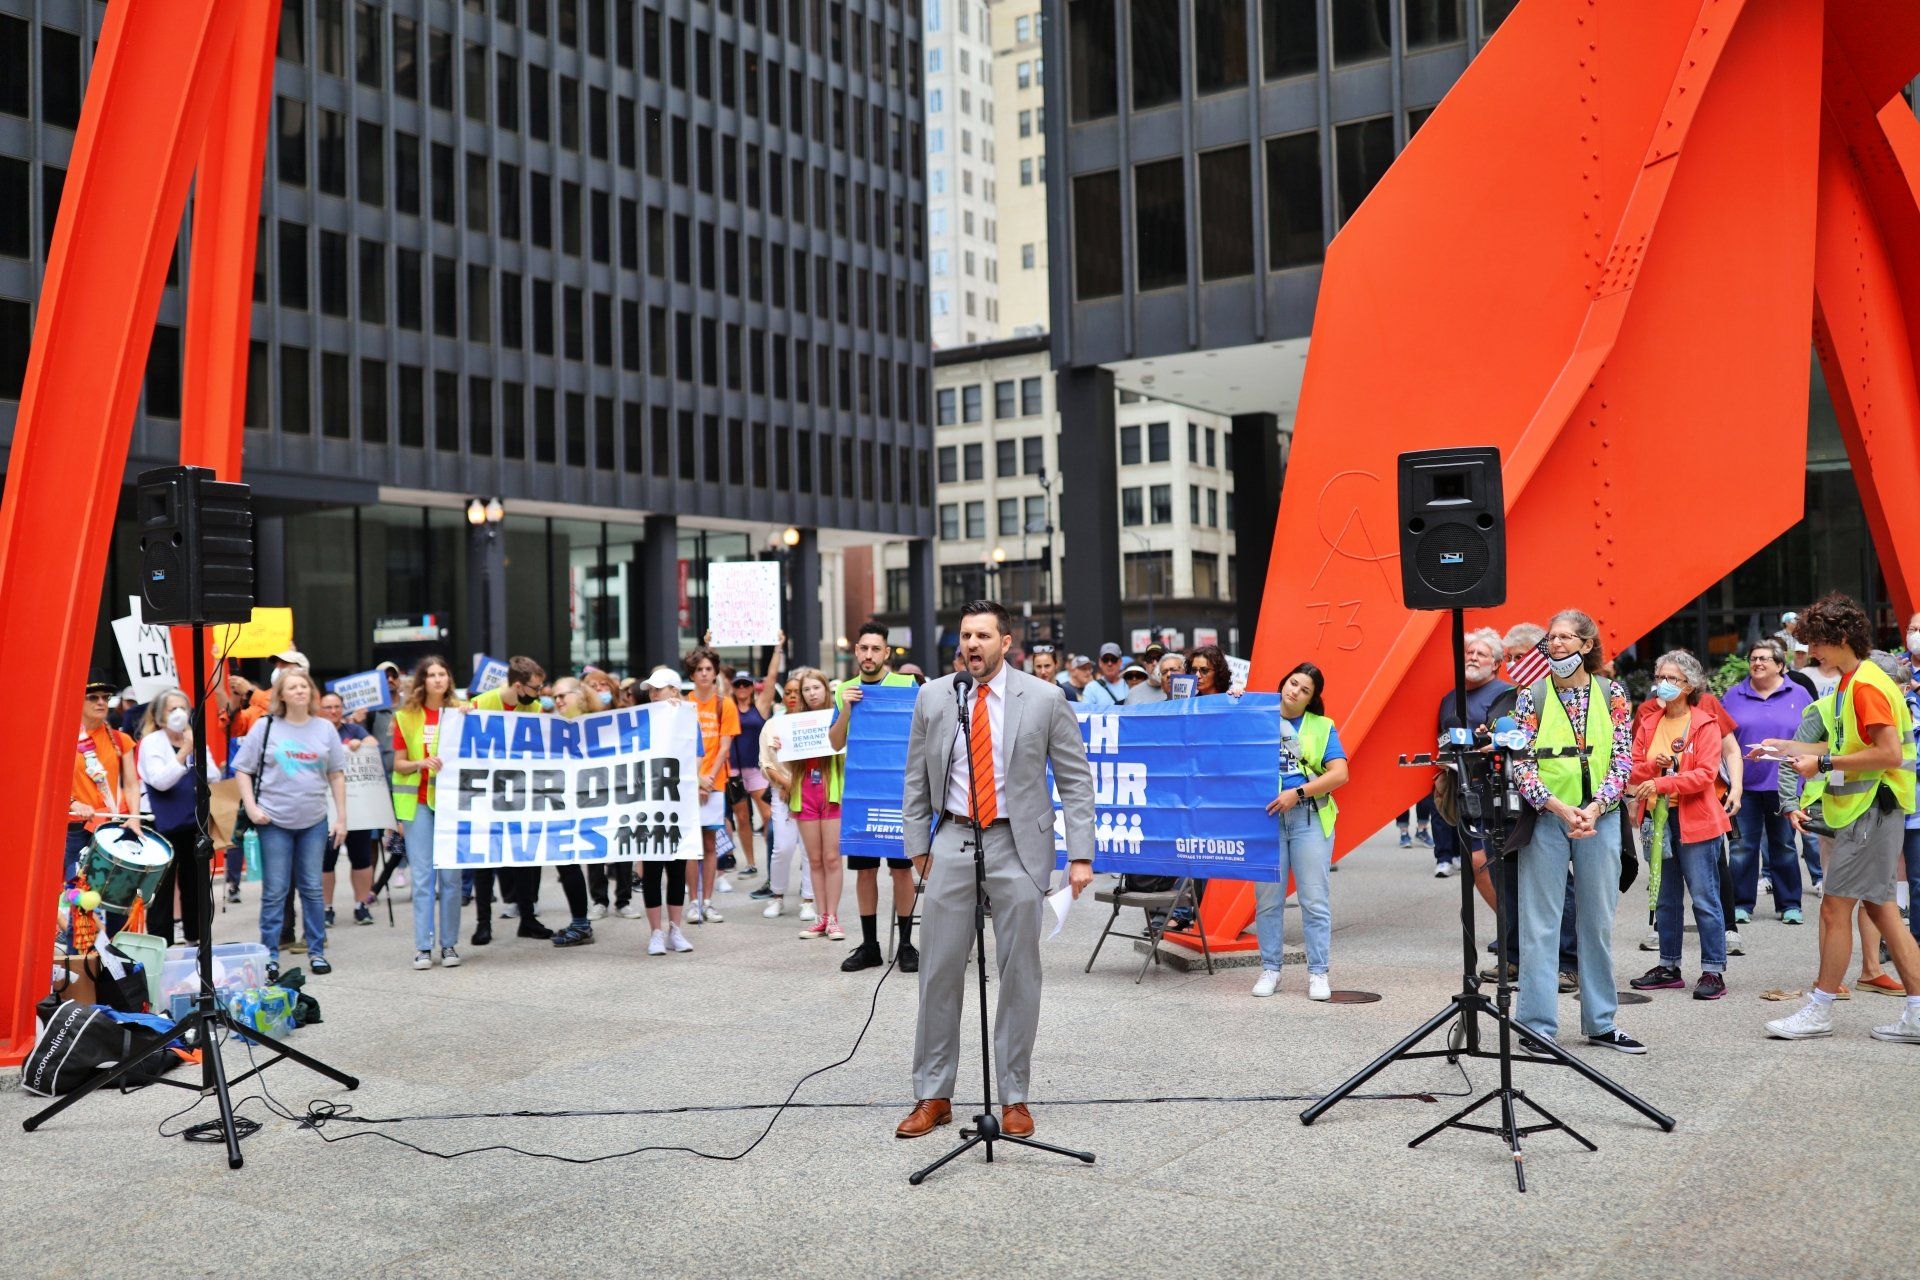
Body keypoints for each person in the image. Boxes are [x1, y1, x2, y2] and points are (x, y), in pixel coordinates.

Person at [895, 599, 1096, 1141]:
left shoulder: (1047, 698)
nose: (972, 645)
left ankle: (1014, 1097)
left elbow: (1075, 781)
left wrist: (1080, 854)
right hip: (954, 838)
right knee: (938, 970)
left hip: (1018, 844)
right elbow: (915, 778)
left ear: (1006, 643)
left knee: (1019, 974)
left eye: (983, 635)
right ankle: (934, 1094)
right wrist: (919, 845)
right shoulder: (935, 696)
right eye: (966, 635)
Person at [1760, 596, 1920, 1044]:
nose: (1812, 654)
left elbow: (1886, 754)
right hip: (1873, 810)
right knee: (1883, 911)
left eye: (1816, 644)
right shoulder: (1856, 681)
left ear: (1842, 639)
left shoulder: (1864, 685)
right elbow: (1849, 748)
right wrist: (1783, 747)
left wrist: (1824, 763)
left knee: (1835, 909)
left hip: (1869, 810)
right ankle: (1916, 1011)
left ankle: (1820, 1008)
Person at [1509, 609, 1644, 1053]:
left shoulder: (1613, 693)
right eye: (1552, 637)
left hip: (1599, 820)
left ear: (1587, 645)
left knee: (1597, 923)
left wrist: (1594, 807)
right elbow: (1522, 764)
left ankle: (1602, 1023)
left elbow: (1623, 759)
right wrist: (1558, 807)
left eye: (1568, 637)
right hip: (1548, 819)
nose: (1558, 644)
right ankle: (1536, 1025)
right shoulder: (1532, 696)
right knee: (1539, 925)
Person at [1627, 650, 1733, 999]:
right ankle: (1668, 965)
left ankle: (1713, 970)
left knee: (1704, 897)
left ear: (1689, 685)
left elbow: (1704, 776)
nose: (1663, 684)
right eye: (1660, 677)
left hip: (1696, 820)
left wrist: (1661, 782)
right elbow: (1632, 769)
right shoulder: (1648, 721)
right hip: (1657, 819)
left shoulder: (1704, 723)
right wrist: (1652, 769)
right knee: (1666, 898)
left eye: (1672, 679)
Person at [233, 668, 346, 977]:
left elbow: (336, 773)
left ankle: (317, 951)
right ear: (280, 695)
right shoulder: (264, 727)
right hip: (274, 821)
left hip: (314, 820)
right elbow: (242, 769)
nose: (300, 690)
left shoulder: (325, 729)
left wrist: (342, 818)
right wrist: (253, 809)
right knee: (275, 890)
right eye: (292, 687)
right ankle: (269, 953)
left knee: (312, 888)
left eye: (304, 685)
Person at [1252, 663, 1350, 1000]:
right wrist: (1235, 696)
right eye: (1293, 683)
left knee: (1314, 900)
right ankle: (1270, 969)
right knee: (1267, 901)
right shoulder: (1257, 713)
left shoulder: (1323, 727)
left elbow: (1340, 774)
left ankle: (1318, 973)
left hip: (1309, 817)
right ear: (1283, 682)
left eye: (1304, 690)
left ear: (1311, 700)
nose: (1295, 691)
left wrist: (1297, 794)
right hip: (1265, 820)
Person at [830, 621, 922, 972]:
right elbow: (835, 742)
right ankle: (870, 945)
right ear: (857, 651)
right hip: (862, 797)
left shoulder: (906, 686)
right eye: (863, 648)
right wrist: (848, 709)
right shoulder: (845, 691)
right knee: (865, 872)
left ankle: (907, 945)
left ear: (886, 653)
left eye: (875, 649)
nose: (868, 655)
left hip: (899, 796)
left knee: (901, 872)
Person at [1723, 638, 1814, 924]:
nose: (1757, 663)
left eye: (1764, 659)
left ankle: (1789, 905)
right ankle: (1740, 904)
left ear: (1780, 665)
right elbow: (1722, 739)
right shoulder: (1733, 696)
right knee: (1741, 848)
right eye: (1753, 658)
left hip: (1786, 785)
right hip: (1744, 786)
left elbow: (1814, 738)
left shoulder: (1799, 694)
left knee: (1785, 845)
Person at [467, 656, 557, 940]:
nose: (539, 694)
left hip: (521, 795)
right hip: (487, 794)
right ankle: (484, 923)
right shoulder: (480, 705)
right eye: (534, 689)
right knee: (485, 859)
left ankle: (527, 919)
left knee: (525, 857)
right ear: (518, 686)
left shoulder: (536, 708)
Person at [390, 656, 466, 969]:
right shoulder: (405, 716)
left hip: (451, 804)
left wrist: (471, 715)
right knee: (422, 878)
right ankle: (424, 946)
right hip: (418, 804)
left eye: (442, 674)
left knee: (451, 878)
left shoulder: (462, 711)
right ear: (423, 681)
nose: (437, 679)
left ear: (449, 679)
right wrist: (421, 763)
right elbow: (398, 763)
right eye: (431, 674)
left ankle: (448, 945)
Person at [137, 688, 216, 945]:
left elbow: (213, 774)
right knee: (161, 889)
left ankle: (197, 939)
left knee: (195, 884)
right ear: (160, 717)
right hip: (161, 824)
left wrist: (195, 748)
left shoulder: (196, 738)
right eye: (173, 709)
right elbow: (160, 781)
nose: (179, 714)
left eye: (183, 708)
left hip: (192, 822)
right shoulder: (152, 742)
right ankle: (162, 944)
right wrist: (185, 752)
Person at [637, 671, 696, 955]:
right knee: (651, 871)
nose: (653, 695)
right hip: (650, 804)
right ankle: (655, 933)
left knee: (676, 869)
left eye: (658, 690)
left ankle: (675, 929)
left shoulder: (687, 717)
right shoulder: (645, 718)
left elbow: (696, 756)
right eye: (651, 690)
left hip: (677, 803)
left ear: (674, 690)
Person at [786, 667, 847, 943]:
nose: (811, 694)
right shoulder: (791, 720)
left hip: (832, 792)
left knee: (832, 857)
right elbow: (786, 763)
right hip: (804, 794)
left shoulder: (838, 716)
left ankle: (833, 917)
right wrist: (780, 747)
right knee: (814, 859)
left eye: (816, 688)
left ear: (826, 689)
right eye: (806, 690)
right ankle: (821, 917)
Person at [313, 691, 380, 928]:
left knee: (361, 857)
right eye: (328, 707)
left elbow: (374, 744)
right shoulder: (315, 730)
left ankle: (362, 905)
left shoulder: (352, 729)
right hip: (324, 807)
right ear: (320, 708)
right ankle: (326, 908)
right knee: (326, 860)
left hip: (356, 806)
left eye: (337, 707)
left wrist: (359, 743)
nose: (333, 711)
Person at [755, 670, 818, 921]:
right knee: (781, 847)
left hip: (811, 793)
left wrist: (801, 785)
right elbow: (764, 762)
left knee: (808, 849)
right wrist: (784, 783)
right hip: (781, 793)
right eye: (788, 692)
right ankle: (777, 895)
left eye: (797, 691)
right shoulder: (772, 725)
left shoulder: (814, 721)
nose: (793, 696)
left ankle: (808, 900)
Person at [68, 675, 143, 886]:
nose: (101, 702)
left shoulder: (121, 739)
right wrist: (74, 803)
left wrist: (135, 817)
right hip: (77, 828)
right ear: (78, 701)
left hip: (115, 825)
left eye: (105, 697)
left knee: (117, 899)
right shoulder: (64, 739)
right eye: (93, 697)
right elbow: (51, 785)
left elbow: (131, 784)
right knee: (79, 901)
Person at [683, 646, 739, 924]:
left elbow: (724, 746)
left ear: (715, 672)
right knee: (690, 846)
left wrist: (707, 780)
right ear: (692, 674)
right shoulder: (683, 704)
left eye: (708, 669)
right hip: (688, 784)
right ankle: (692, 901)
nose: (704, 674)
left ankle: (707, 901)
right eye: (699, 670)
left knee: (709, 845)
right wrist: (695, 780)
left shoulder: (724, 704)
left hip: (714, 784)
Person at [1079, 642, 1129, 710]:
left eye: (1113, 659)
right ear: (1100, 662)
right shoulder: (1091, 688)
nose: (1109, 664)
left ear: (1120, 662)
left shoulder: (1129, 684)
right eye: (1105, 659)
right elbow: (1085, 714)